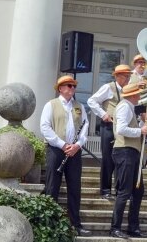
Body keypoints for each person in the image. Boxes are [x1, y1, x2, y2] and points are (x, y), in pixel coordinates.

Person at [40, 75, 91, 236]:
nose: (72, 88)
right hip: (56, 150)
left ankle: (76, 224)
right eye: (68, 86)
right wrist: (62, 144)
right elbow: (45, 127)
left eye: (73, 86)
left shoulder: (79, 106)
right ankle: (50, 223)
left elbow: (85, 128)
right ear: (60, 88)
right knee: (52, 186)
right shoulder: (51, 105)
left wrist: (77, 145)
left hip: (74, 152)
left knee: (75, 188)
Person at [108, 83, 147, 238]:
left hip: (132, 152)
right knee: (124, 191)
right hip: (124, 151)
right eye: (138, 94)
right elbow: (121, 129)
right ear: (133, 95)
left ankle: (133, 227)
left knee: (138, 191)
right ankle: (115, 228)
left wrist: (143, 125)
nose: (140, 96)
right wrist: (140, 130)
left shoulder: (129, 107)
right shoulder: (124, 107)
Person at [87, 64, 133, 200]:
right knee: (108, 158)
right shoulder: (108, 87)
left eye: (129, 76)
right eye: (126, 76)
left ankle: (120, 190)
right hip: (108, 126)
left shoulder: (128, 90)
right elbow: (91, 101)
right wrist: (103, 114)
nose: (128, 79)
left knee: (121, 159)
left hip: (121, 129)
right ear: (118, 76)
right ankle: (105, 189)